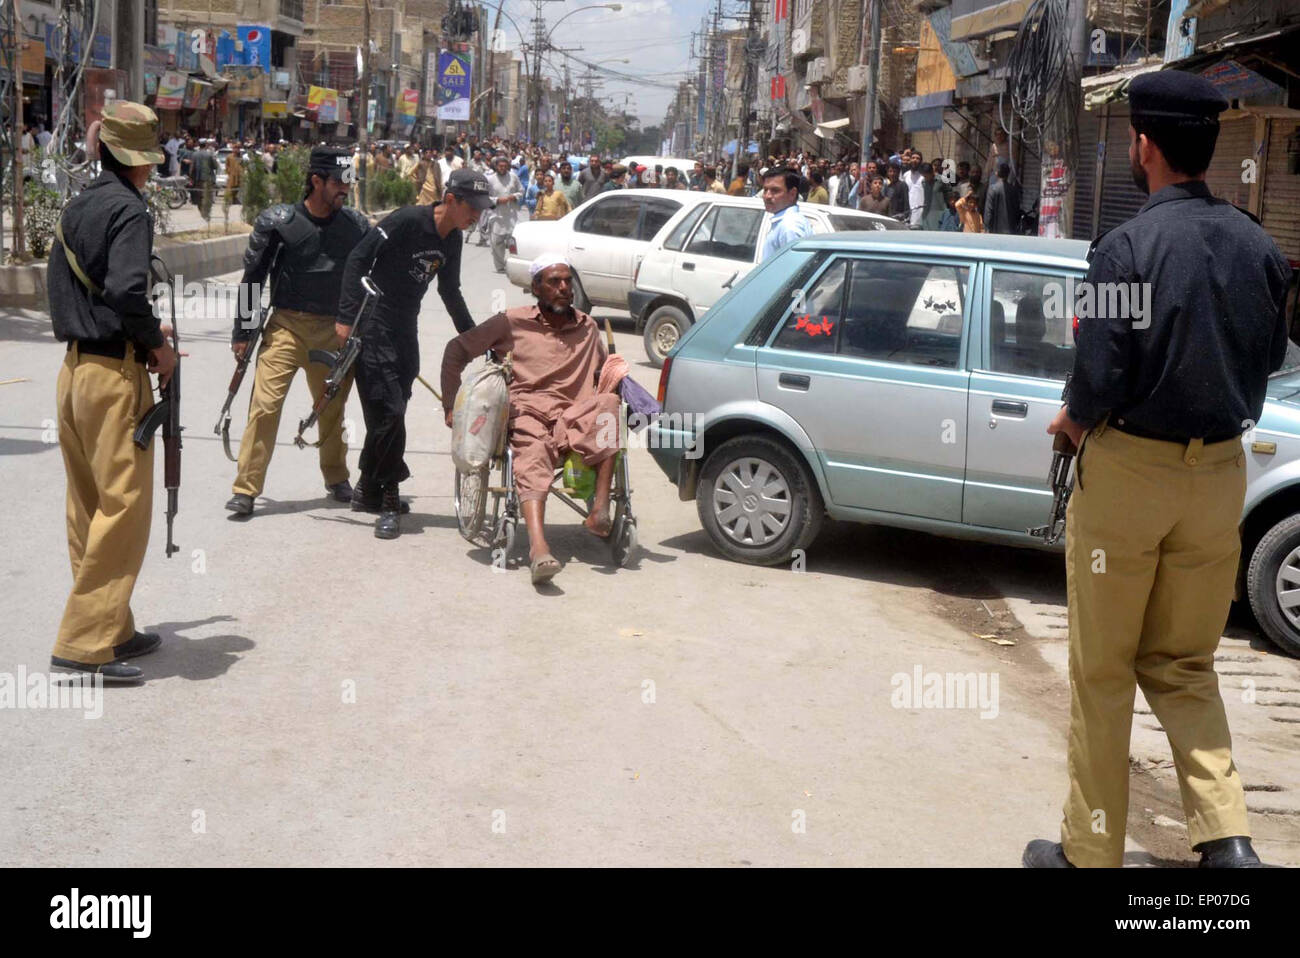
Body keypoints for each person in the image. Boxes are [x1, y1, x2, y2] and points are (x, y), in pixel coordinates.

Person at [1023, 71, 1293, 870]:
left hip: (1131, 478)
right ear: (1209, 148)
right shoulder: (1262, 246)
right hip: (1218, 478)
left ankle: (1089, 853)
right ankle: (1228, 842)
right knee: (1185, 664)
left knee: (1104, 671)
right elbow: (1271, 357)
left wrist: (1071, 421)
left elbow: (1100, 372)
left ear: (1143, 146)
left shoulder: (1125, 249)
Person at [47, 102, 178, 683]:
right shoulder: (129, 210)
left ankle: (113, 627)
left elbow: (86, 293)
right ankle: (81, 646)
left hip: (73, 373)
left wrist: (139, 329)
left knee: (89, 507)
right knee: (123, 508)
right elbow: (127, 291)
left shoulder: (77, 206)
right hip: (112, 377)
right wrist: (159, 344)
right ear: (138, 160)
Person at [440, 255, 620, 584]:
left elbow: (603, 375)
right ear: (535, 287)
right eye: (554, 282)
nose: (563, 288)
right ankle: (539, 548)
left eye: (567, 281)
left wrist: (617, 381)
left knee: (609, 404)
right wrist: (451, 406)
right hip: (530, 412)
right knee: (533, 452)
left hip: (576, 414)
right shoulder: (510, 322)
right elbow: (456, 350)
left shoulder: (589, 327)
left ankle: (600, 510)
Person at [337, 168, 491, 538]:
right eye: (473, 207)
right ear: (451, 200)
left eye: (482, 209)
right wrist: (345, 318)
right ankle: (389, 500)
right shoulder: (407, 220)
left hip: (406, 327)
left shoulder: (452, 238)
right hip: (373, 322)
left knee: (391, 410)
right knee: (389, 411)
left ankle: (366, 489)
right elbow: (358, 258)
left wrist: (475, 338)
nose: (478, 216)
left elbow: (449, 291)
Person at [224, 148, 370, 518]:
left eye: (348, 181)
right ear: (316, 181)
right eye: (338, 182)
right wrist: (242, 332)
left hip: (333, 330)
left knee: (332, 410)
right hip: (286, 327)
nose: (344, 189)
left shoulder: (355, 226)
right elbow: (252, 278)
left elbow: (371, 278)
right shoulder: (279, 221)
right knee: (265, 406)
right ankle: (246, 488)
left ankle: (337, 477)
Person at [757, 167, 813, 263]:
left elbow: (795, 268)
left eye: (775, 190)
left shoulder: (789, 226)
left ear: (792, 194)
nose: (767, 196)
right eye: (765, 190)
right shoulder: (787, 222)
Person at [485, 155, 523, 273]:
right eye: (500, 166)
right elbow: (485, 196)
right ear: (496, 166)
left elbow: (521, 191)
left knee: (514, 241)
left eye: (505, 166)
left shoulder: (513, 177)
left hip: (511, 215)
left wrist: (514, 196)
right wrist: (497, 200)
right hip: (496, 215)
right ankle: (500, 266)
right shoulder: (490, 179)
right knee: (496, 242)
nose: (502, 168)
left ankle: (514, 265)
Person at [983, 161, 1020, 234]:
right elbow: (1017, 210)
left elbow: (988, 212)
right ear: (1008, 174)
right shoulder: (1013, 190)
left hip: (996, 231)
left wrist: (987, 228)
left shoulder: (992, 189)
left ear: (996, 173)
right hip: (1011, 230)